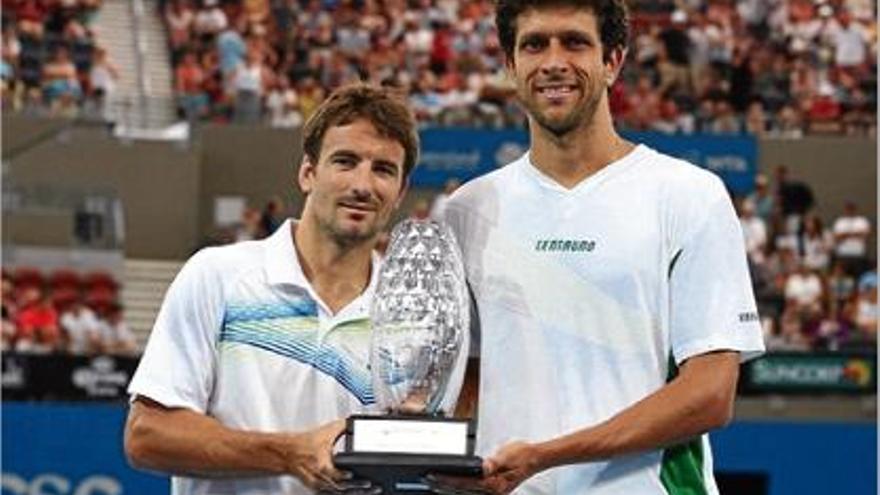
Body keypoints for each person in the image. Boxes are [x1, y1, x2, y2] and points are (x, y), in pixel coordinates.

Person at [438, 1, 765, 493]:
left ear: (612, 61)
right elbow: (468, 375)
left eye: (574, 42)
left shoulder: (687, 194)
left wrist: (548, 456)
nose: (552, 62)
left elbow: (710, 394)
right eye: (533, 44)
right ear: (510, 65)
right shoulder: (468, 209)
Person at [124, 84, 463, 494]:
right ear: (308, 173)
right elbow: (147, 435)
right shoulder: (218, 276)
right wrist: (288, 453)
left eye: (383, 169)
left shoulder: (413, 320)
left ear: (400, 192)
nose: (362, 184)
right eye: (345, 161)